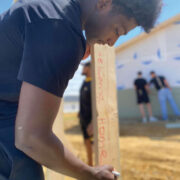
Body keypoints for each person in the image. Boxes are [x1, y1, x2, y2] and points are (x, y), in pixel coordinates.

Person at [0, 0, 162, 179]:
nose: (111, 43)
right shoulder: (61, 31)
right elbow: (32, 138)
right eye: (117, 30)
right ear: (104, 3)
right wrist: (92, 174)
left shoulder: (51, 9)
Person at [79, 62, 93, 166]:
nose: (82, 69)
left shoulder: (94, 83)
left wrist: (94, 122)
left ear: (89, 68)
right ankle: (90, 166)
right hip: (83, 119)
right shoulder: (85, 82)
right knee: (87, 142)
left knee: (95, 146)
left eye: (84, 67)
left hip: (91, 121)